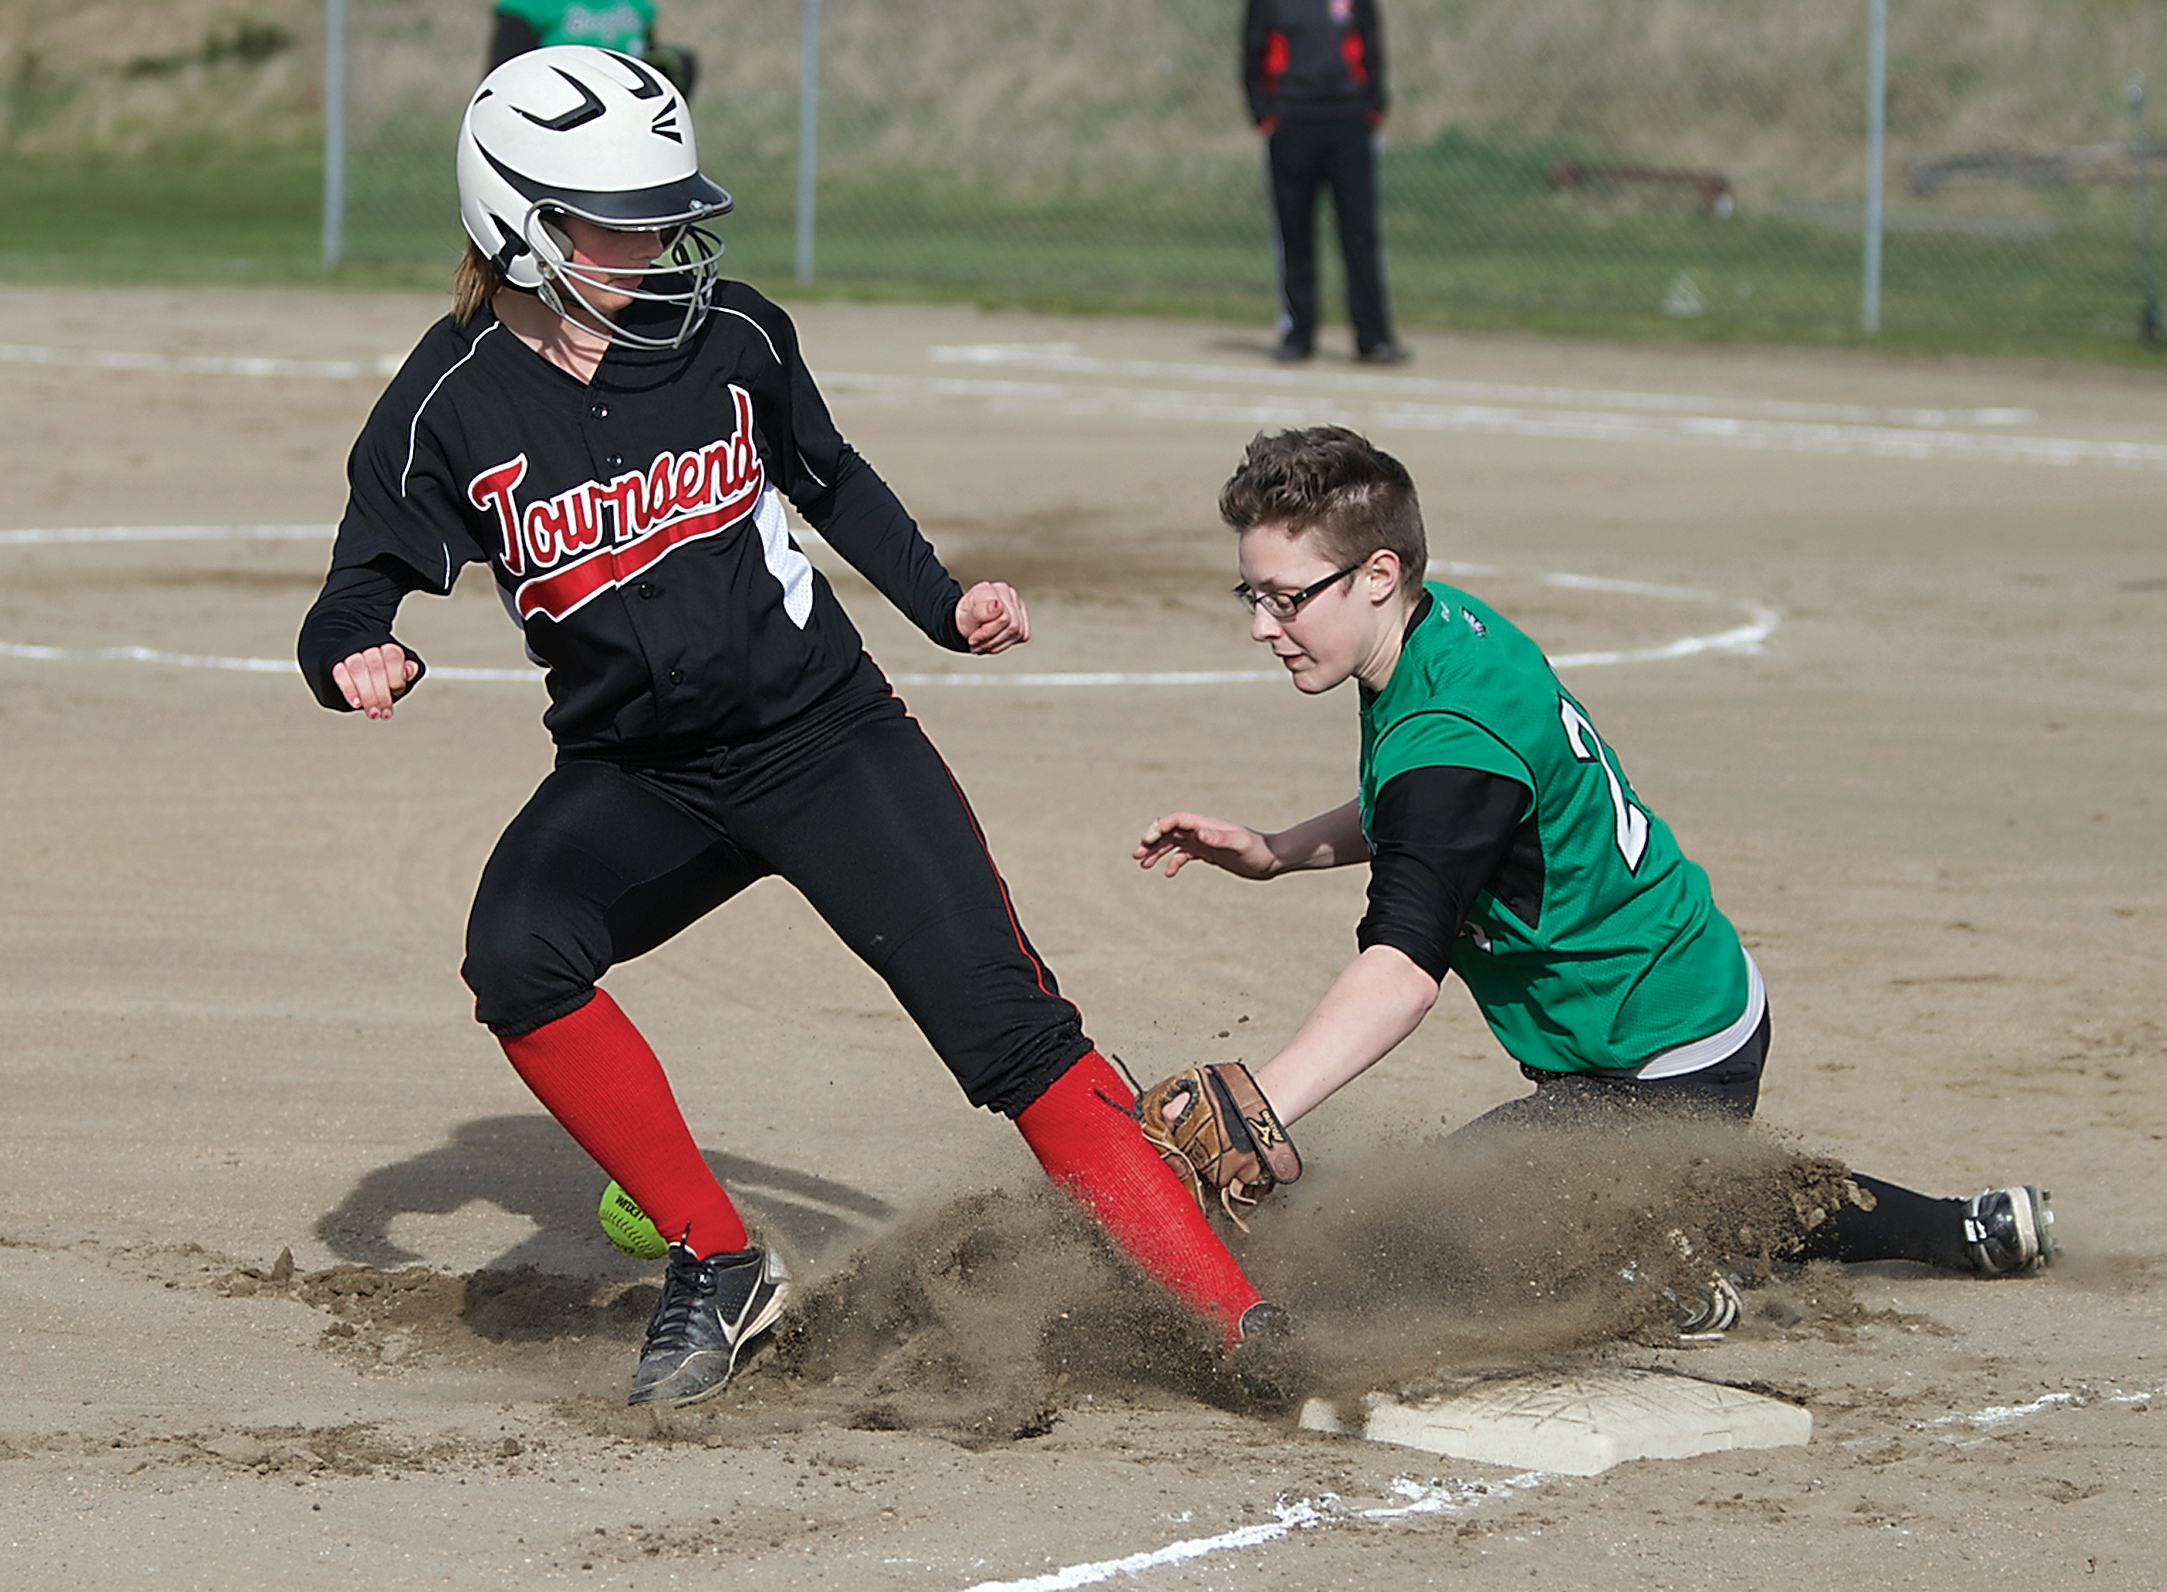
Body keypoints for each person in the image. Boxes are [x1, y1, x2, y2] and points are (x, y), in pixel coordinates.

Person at [298, 45, 1278, 1410]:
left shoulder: (733, 337)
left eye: (667, 218)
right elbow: (356, 579)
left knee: (1013, 1042)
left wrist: (943, 605)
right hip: (640, 778)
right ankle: (714, 1259)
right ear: (513, 225)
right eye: (620, 223)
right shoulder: (449, 403)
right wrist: (356, 649)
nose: (658, 247)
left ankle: (1245, 1329)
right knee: (518, 954)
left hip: (827, 743)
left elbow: (831, 476)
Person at [1132, 426, 2057, 1315]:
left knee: (1425, 1243)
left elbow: (1403, 971)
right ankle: (1959, 1229)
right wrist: (1279, 851)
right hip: (1670, 1003)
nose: (1263, 625)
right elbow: (1437, 821)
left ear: (1378, 575)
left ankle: (1652, 1277)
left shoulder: (1447, 745)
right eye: (1249, 594)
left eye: (1286, 597)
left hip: (1655, 1058)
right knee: (1655, 1190)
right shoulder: (1437, 631)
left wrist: (1262, 1110)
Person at [1243, 0, 1407, 365]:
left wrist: (1372, 106)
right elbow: (1253, 52)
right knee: (1294, 234)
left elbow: (1371, 45)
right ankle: (1299, 333)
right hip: (1292, 120)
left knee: (1359, 233)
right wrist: (1265, 113)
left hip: (1347, 121)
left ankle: (1373, 337)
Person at [488, 1, 697, 99]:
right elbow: (501, 82)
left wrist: (665, 84)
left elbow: (645, 60)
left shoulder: (636, 6)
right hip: (558, 121)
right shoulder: (531, 6)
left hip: (626, 122)